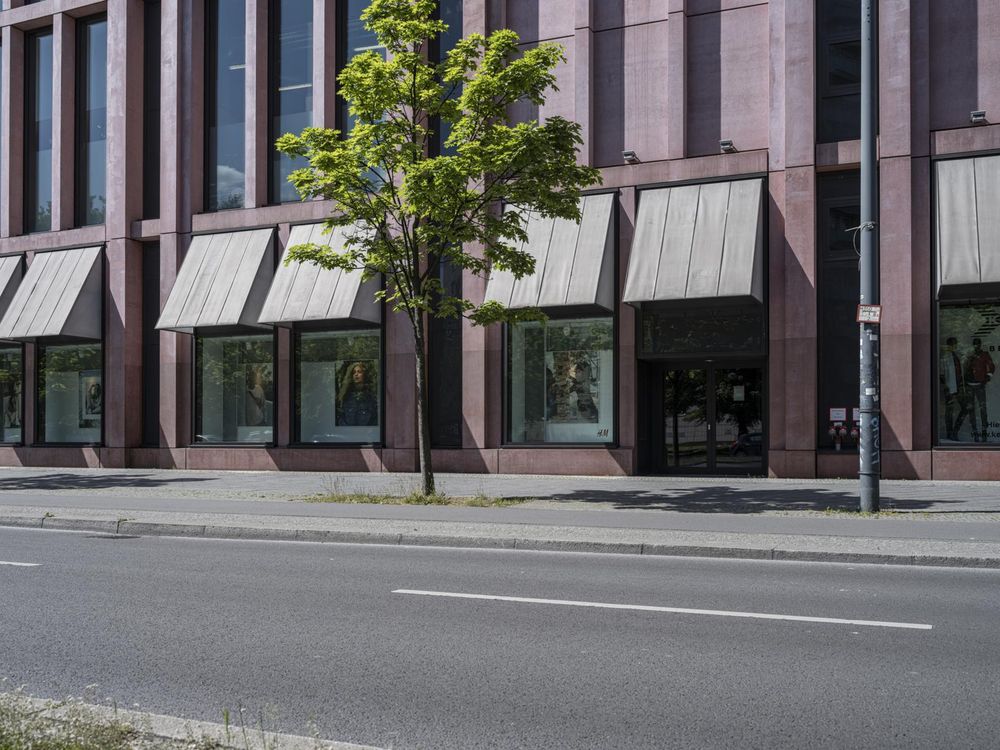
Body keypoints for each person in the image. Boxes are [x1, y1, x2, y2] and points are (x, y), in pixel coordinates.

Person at [964, 337, 995, 442]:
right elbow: (965, 367)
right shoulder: (969, 355)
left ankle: (984, 432)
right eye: (975, 344)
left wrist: (988, 377)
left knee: (982, 408)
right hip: (969, 384)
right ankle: (975, 432)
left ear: (980, 345)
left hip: (979, 384)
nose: (976, 345)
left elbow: (991, 366)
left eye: (978, 344)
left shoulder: (984, 354)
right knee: (971, 408)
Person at [939, 336, 969, 441]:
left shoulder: (957, 356)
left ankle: (954, 432)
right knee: (949, 411)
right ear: (949, 345)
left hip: (959, 387)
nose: (954, 346)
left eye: (955, 344)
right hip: (950, 388)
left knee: (965, 409)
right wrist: (946, 387)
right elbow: (941, 374)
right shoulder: (945, 357)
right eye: (953, 344)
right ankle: (950, 434)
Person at [338, 361, 377, 426]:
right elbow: (341, 417)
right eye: (354, 372)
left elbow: (374, 418)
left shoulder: (370, 397)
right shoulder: (346, 396)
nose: (356, 374)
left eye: (359, 372)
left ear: (364, 375)